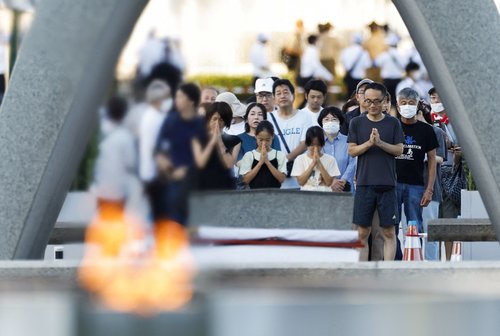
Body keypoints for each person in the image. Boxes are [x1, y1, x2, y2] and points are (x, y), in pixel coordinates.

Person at [348, 82, 404, 261]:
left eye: (377, 101)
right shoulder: (356, 122)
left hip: (387, 184)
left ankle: (388, 273)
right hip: (364, 184)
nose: (372, 105)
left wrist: (380, 143)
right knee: (362, 231)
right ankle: (362, 272)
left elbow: (399, 150)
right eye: (368, 101)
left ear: (385, 101)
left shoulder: (393, 123)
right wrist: (369, 143)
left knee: (388, 231)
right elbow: (352, 150)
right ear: (362, 100)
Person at [394, 87, 439, 260]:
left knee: (415, 226)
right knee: (391, 225)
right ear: (397, 106)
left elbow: (432, 160)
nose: (407, 106)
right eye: (403, 103)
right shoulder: (392, 125)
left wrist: (429, 189)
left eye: (411, 103)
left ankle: (415, 260)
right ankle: (396, 260)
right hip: (393, 184)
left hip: (416, 185)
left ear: (418, 105)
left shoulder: (426, 130)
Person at [155, 83, 206, 224]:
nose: (176, 100)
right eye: (176, 96)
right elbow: (160, 148)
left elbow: (207, 155)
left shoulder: (201, 124)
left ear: (191, 101)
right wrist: (163, 161)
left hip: (196, 182)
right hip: (172, 179)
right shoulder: (170, 121)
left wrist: (189, 170)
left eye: (180, 97)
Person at [268, 79, 314, 189]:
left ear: (293, 95)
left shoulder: (304, 116)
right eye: (278, 93)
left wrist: (286, 159)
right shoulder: (269, 118)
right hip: (277, 174)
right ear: (274, 99)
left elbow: (305, 143)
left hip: (300, 174)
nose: (282, 96)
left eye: (286, 92)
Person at [92, 97, 137, 208]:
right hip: (118, 189)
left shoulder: (102, 131)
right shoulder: (125, 137)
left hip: (101, 187)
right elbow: (130, 162)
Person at [192, 102, 241, 191]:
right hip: (203, 186)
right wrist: (212, 142)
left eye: (221, 119)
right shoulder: (197, 139)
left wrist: (219, 142)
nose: (217, 123)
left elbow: (229, 164)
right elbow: (201, 163)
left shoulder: (235, 140)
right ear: (208, 119)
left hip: (225, 186)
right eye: (214, 119)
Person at [317, 106, 356, 191]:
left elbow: (353, 163)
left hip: (345, 188)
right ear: (321, 123)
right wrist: (331, 181)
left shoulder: (349, 141)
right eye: (326, 119)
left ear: (340, 122)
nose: (330, 122)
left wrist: (342, 181)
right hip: (323, 189)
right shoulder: (317, 144)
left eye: (334, 119)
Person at [239, 121, 287, 189]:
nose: (264, 143)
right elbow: (245, 180)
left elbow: (282, 179)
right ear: (256, 136)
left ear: (272, 136)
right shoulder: (249, 155)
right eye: (260, 140)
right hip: (255, 196)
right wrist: (260, 162)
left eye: (267, 140)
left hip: (275, 195)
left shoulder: (279, 155)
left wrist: (267, 162)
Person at [291, 126, 340, 192]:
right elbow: (301, 182)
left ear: (322, 144)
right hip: (306, 198)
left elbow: (329, 183)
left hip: (325, 198)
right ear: (307, 144)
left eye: (318, 145)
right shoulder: (300, 159)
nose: (315, 148)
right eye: (312, 145)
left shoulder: (331, 159)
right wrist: (312, 164)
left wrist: (319, 163)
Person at [374, 33, 405, 107]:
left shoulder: (384, 55)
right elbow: (404, 66)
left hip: (387, 81)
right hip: (398, 80)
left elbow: (376, 63)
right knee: (398, 100)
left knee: (386, 100)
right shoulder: (400, 54)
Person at [340, 32, 372, 99]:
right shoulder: (364, 52)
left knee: (349, 97)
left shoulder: (346, 51)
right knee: (358, 98)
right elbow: (368, 65)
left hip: (349, 78)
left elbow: (342, 62)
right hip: (359, 78)